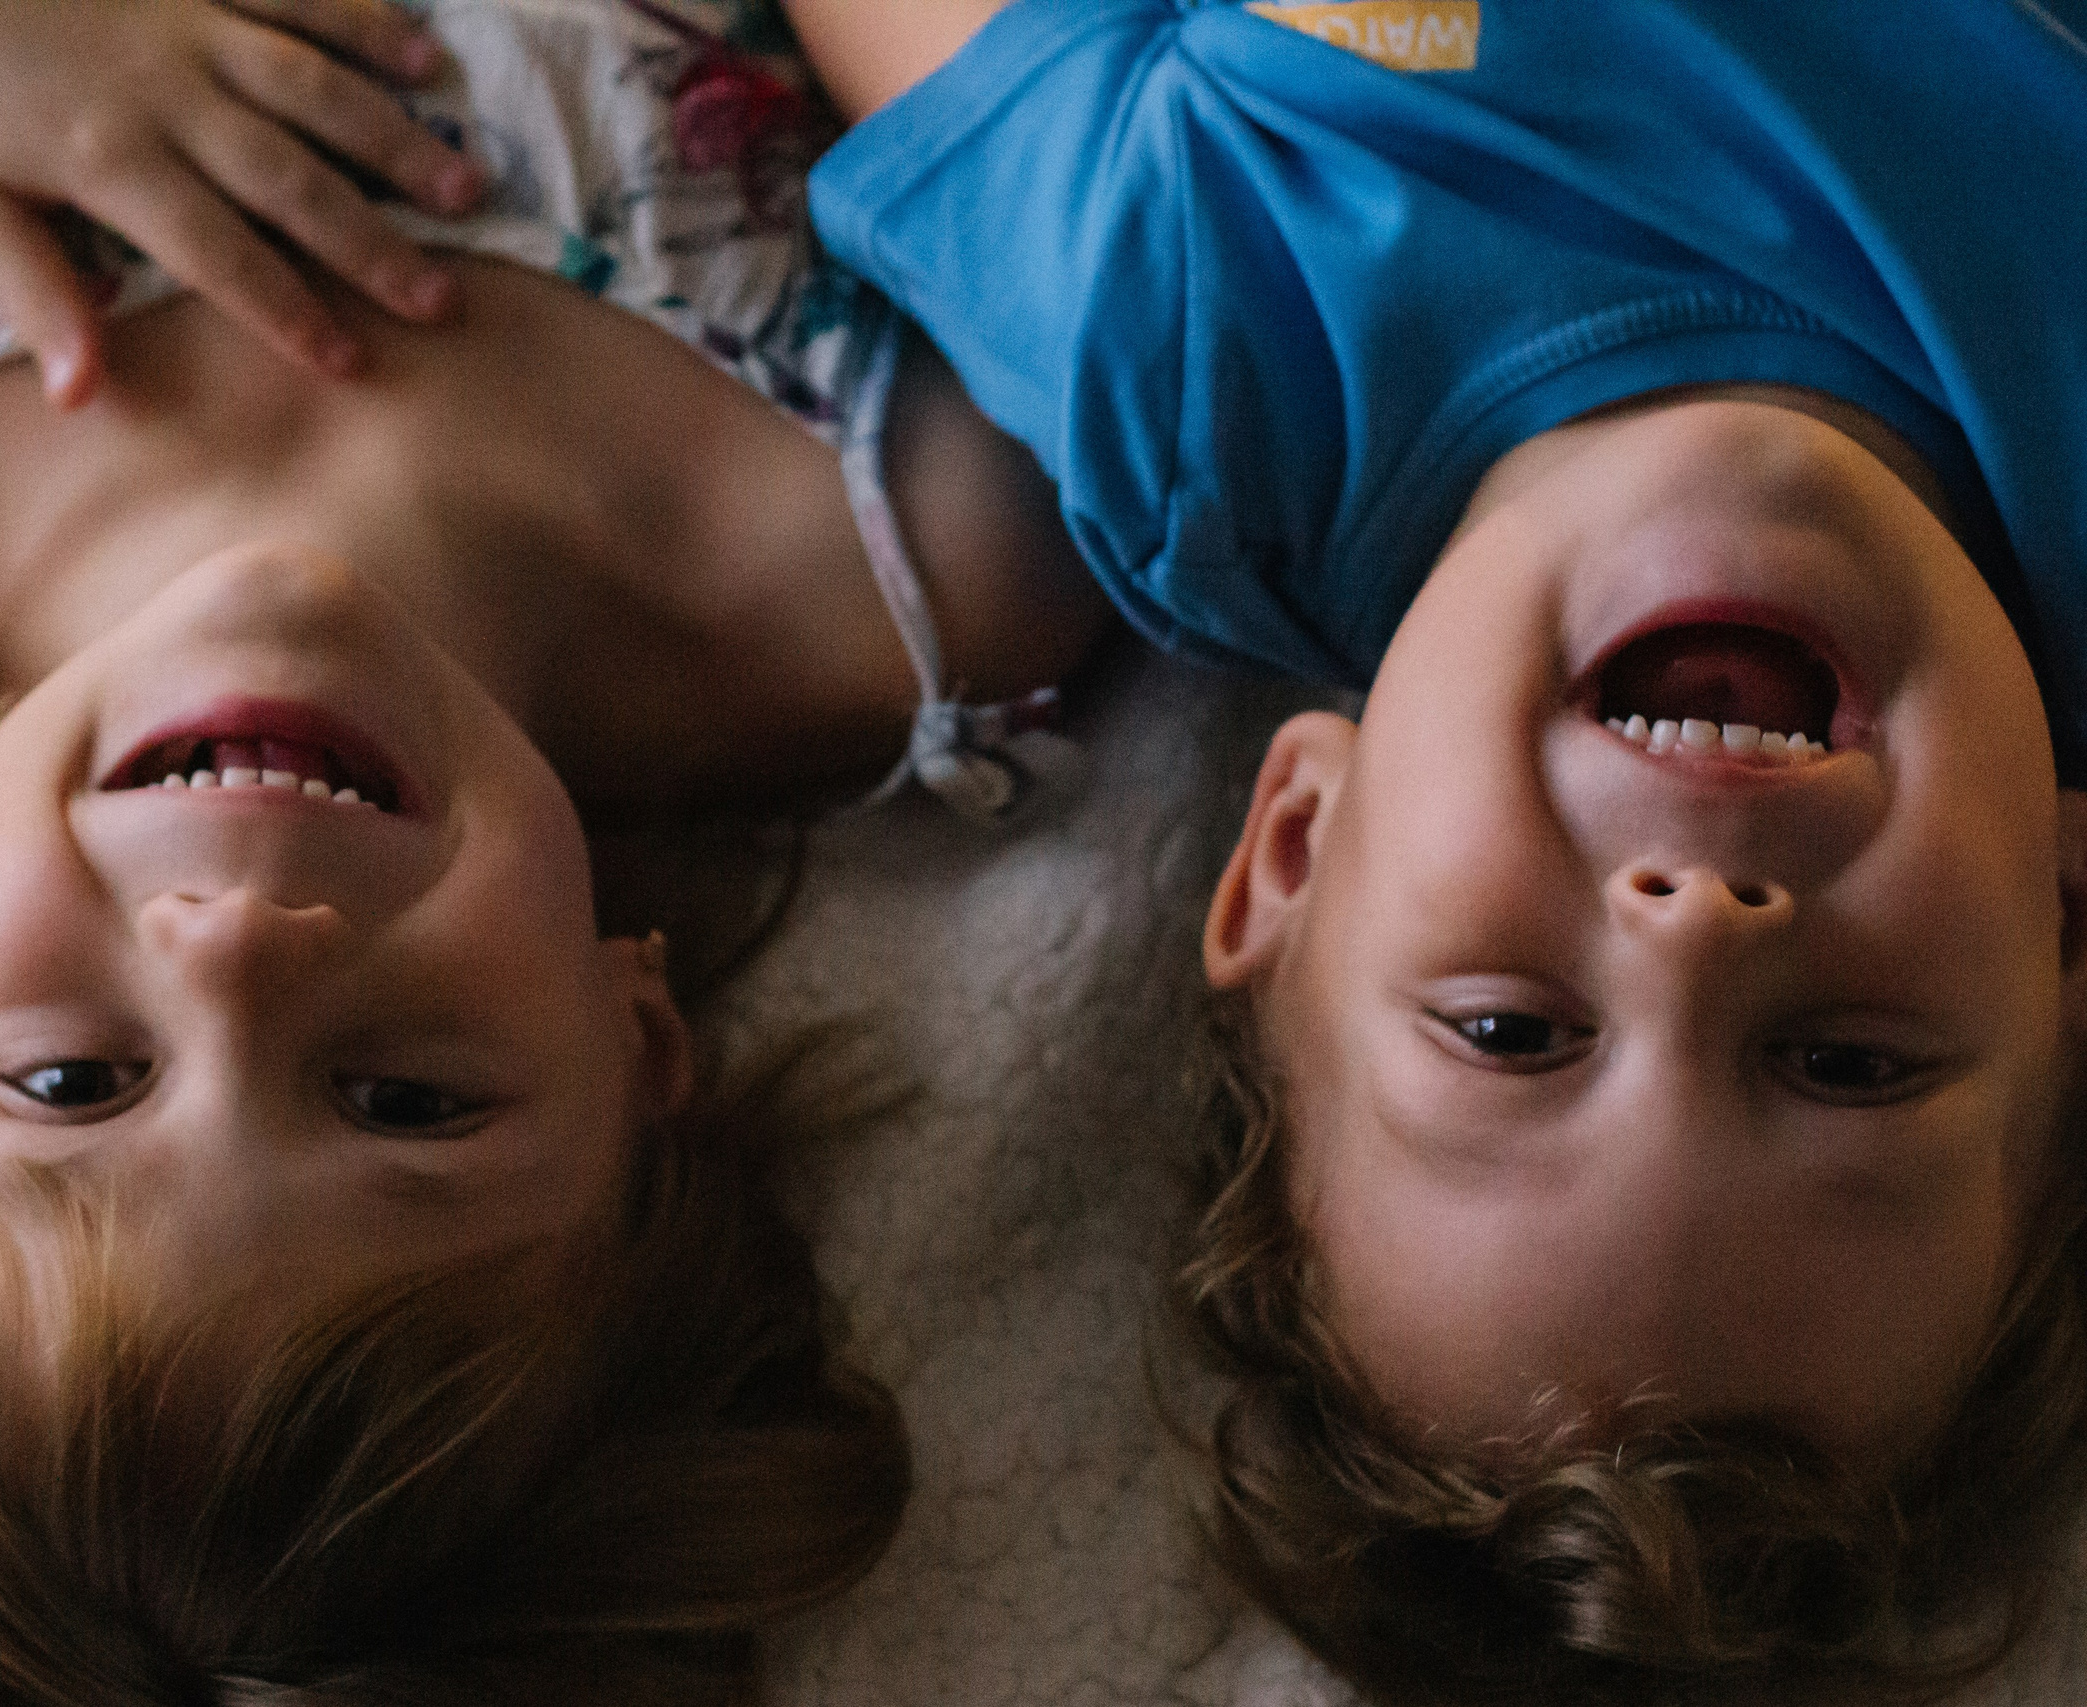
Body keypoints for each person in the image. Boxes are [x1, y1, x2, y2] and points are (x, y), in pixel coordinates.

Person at [0, 0, 1112, 1699]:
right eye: (405, 1101)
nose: (237, 946)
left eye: (72, 1085)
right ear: (639, 1051)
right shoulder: (939, 534)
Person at [773, 0, 2087, 1700]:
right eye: (1845, 1061)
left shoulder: (1189, 346)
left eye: (1513, 1034)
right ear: (2060, 929)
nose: (1699, 930)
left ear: (1296, 848)